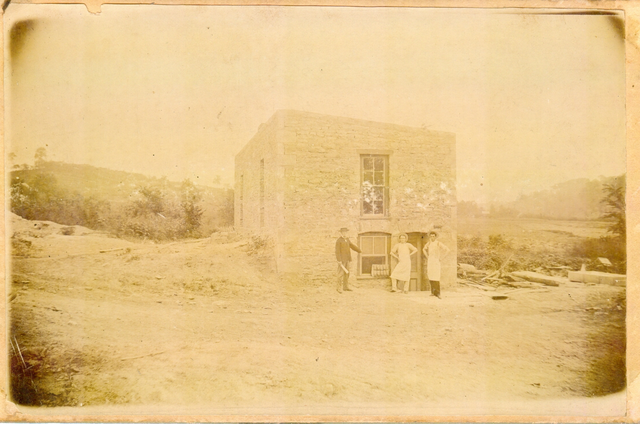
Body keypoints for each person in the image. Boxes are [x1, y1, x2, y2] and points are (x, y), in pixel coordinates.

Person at [422, 231, 451, 298]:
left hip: (436, 261)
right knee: (430, 275)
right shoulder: (429, 243)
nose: (432, 237)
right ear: (430, 237)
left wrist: (441, 258)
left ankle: (438, 293)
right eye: (431, 236)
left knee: (436, 275)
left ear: (435, 237)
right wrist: (427, 256)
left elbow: (447, 250)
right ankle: (432, 292)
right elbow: (424, 249)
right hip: (430, 261)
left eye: (433, 236)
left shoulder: (438, 243)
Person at [335, 227, 362, 293]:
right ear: (341, 233)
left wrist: (359, 250)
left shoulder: (347, 239)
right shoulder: (339, 241)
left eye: (345, 232)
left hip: (347, 259)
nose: (344, 233)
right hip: (342, 260)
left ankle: (345, 287)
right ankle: (338, 288)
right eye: (343, 232)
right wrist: (339, 260)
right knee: (340, 274)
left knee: (347, 273)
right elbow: (337, 251)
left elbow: (352, 246)